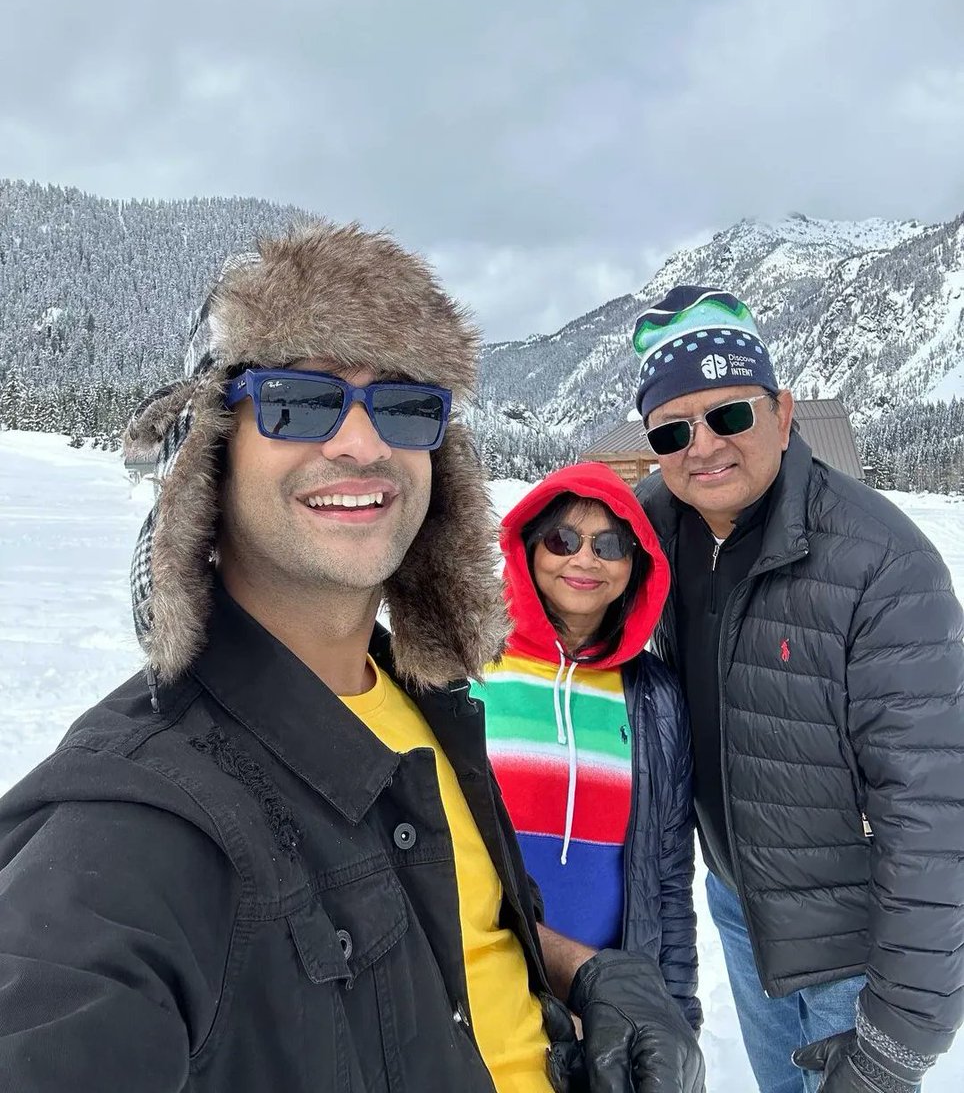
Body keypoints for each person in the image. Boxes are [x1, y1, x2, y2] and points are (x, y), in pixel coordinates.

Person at [0, 223, 705, 1093]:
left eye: (406, 407)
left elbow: (456, 916)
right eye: (302, 399)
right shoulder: (135, 818)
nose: (363, 445)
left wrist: (581, 973)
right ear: (214, 449)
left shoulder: (430, 698)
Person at [631, 285, 964, 1093]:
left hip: (858, 937)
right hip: (738, 907)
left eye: (730, 416)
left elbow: (935, 818)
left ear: (783, 413)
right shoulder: (645, 535)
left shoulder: (884, 564)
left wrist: (895, 1046)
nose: (703, 446)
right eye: (673, 430)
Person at [472, 462, 700, 1034]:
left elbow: (667, 870)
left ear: (636, 563)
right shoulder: (466, 664)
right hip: (477, 986)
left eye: (610, 544)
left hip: (605, 999)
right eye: (563, 539)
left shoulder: (653, 695)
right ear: (529, 548)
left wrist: (672, 1012)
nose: (584, 559)